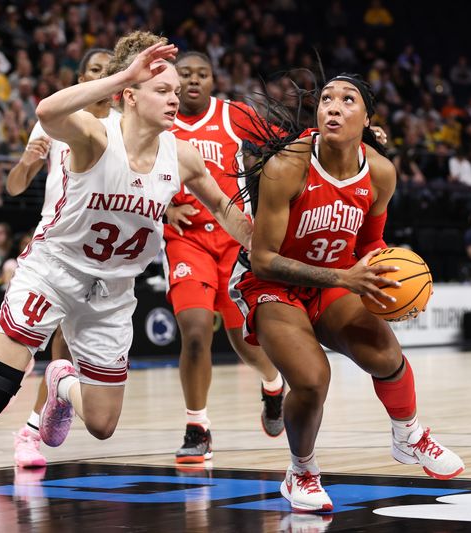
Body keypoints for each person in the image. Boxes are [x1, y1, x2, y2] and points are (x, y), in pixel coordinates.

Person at [0, 31, 252, 516]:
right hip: (54, 271)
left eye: (175, 91)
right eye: (161, 89)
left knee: (103, 425)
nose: (175, 98)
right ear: (129, 93)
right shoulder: (93, 133)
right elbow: (45, 113)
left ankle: (61, 382)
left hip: (113, 292)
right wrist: (124, 72)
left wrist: (264, 239)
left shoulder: (182, 156)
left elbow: (229, 214)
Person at [230, 74, 464, 512]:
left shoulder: (380, 172)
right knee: (313, 379)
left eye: (347, 100)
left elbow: (370, 244)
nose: (333, 107)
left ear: (367, 118)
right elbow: (262, 258)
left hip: (334, 278)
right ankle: (300, 471)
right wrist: (343, 280)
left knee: (386, 355)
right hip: (272, 284)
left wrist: (385, 275)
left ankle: (408, 435)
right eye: (326, 99)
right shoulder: (288, 167)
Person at [163, 52, 285, 463]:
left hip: (235, 240)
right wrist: (163, 208)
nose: (193, 80)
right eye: (185, 74)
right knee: (195, 334)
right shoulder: (158, 119)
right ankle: (197, 427)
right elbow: (131, 170)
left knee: (246, 343)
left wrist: (348, 136)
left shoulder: (233, 115)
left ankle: (272, 384)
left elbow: (287, 140)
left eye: (202, 74)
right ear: (172, 81)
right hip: (186, 240)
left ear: (214, 80)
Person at [5, 47, 115, 469]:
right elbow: (15, 187)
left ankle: (32, 428)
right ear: (81, 77)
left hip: (105, 254)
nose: (102, 77)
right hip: (59, 246)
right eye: (94, 70)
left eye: (110, 72)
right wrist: (26, 162)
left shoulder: (128, 125)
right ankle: (29, 427)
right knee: (40, 346)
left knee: (66, 350)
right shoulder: (55, 119)